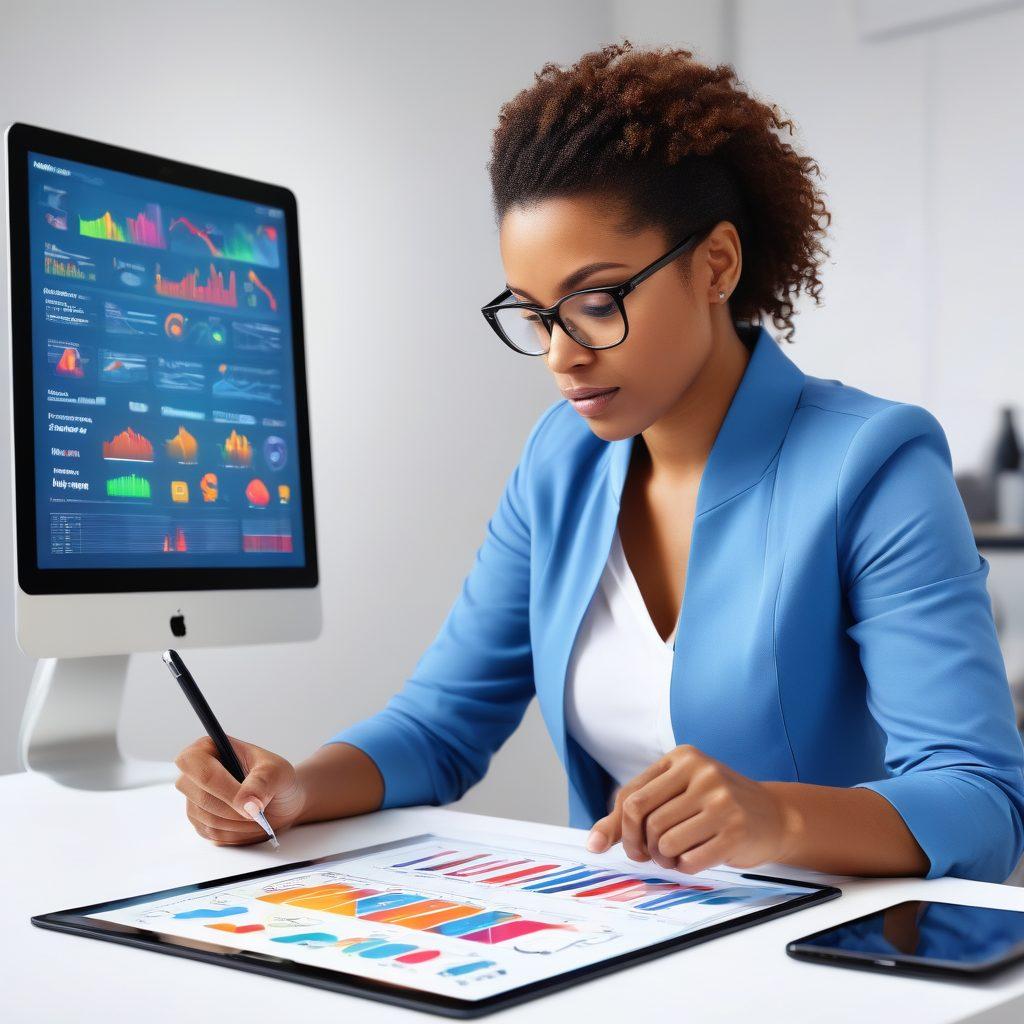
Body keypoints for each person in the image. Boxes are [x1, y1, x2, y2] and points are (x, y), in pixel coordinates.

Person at [173, 41, 1024, 883]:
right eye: (536, 314)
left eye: (594, 301)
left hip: (827, 962)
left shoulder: (873, 466)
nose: (560, 355)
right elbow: (441, 725)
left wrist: (778, 815)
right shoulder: (561, 462)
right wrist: (293, 792)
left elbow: (982, 801)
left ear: (716, 264)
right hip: (621, 939)